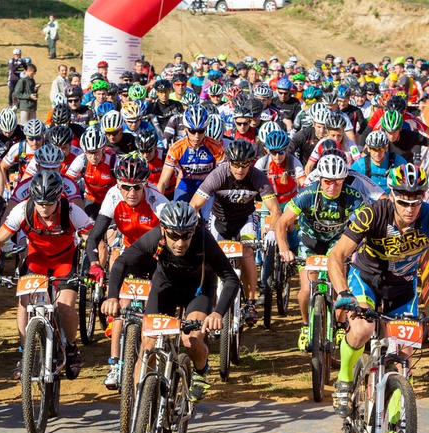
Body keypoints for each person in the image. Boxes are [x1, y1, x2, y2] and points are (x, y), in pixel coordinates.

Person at [328, 164, 429, 415]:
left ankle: (395, 424)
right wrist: (343, 292)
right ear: (391, 196)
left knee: (405, 350)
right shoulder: (372, 214)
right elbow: (336, 255)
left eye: (416, 202)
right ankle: (344, 379)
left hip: (403, 285)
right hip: (367, 279)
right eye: (403, 202)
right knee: (363, 329)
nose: (410, 209)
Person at [102, 201, 241, 402]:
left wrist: (217, 312)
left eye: (186, 236)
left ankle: (200, 372)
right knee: (148, 347)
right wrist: (112, 296)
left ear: (194, 230)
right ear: (163, 230)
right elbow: (122, 262)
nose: (180, 242)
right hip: (165, 286)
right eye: (174, 236)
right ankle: (136, 408)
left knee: (191, 339)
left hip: (198, 288)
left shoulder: (204, 239)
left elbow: (231, 278)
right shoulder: (154, 237)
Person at [0, 170, 94, 380]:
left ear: (58, 197)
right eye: (39, 202)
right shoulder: (22, 210)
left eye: (49, 203)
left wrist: (94, 265)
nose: (44, 207)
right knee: (24, 302)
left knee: (65, 307)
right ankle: (25, 353)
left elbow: (94, 239)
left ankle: (71, 348)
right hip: (37, 260)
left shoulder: (71, 211)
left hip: (64, 260)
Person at [276, 152, 369, 350]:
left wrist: (362, 247)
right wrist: (284, 248)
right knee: (306, 288)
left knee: (340, 287)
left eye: (338, 182)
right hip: (310, 241)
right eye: (327, 181)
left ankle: (341, 326)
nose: (332, 186)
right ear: (320, 179)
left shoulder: (353, 196)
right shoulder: (308, 194)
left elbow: (366, 225)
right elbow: (282, 223)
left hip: (337, 242)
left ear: (344, 180)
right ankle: (305, 326)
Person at [85, 154, 163, 388]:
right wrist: (94, 263)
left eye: (137, 187)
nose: (131, 192)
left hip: (157, 256)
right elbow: (94, 237)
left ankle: (160, 354)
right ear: (118, 185)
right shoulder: (112, 196)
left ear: (145, 184)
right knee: (122, 306)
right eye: (126, 187)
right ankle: (115, 365)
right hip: (132, 255)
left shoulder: (157, 201)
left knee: (158, 306)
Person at [190, 138, 280, 308]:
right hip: (220, 220)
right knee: (213, 259)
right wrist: (194, 227)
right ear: (229, 162)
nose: (240, 169)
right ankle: (212, 304)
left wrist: (272, 232)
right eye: (236, 164)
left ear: (250, 163)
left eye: (245, 164)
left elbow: (275, 209)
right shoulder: (218, 175)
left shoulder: (257, 177)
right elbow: (193, 205)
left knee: (247, 251)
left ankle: (251, 302)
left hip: (245, 219)